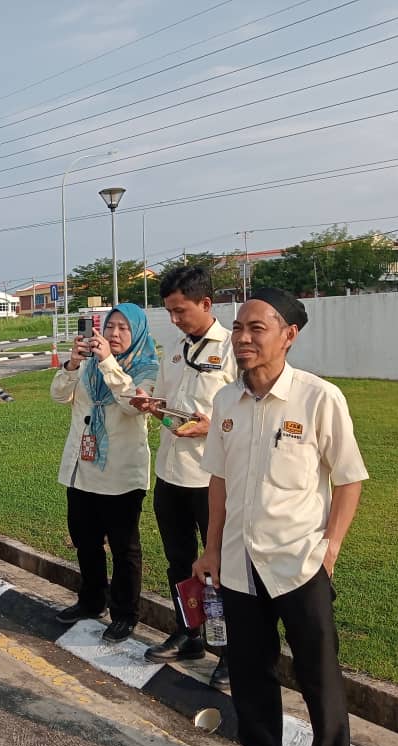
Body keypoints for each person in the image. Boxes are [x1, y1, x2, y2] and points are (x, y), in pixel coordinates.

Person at [193, 288, 367, 746]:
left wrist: (328, 552)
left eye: (257, 328)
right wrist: (211, 550)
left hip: (299, 562)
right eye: (239, 328)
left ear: (288, 335)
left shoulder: (318, 397)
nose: (242, 338)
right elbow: (219, 481)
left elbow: (349, 479)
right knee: (250, 670)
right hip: (239, 562)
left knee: (319, 676)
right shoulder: (227, 399)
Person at [132, 266, 237, 689]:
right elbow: (170, 401)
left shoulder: (233, 350)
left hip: (212, 478)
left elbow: (243, 414)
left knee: (222, 568)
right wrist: (150, 404)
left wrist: (210, 426)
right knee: (179, 560)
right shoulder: (175, 349)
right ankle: (188, 632)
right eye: (169, 312)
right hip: (172, 472)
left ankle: (231, 651)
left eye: (180, 311)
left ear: (206, 304)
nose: (174, 319)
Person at [51, 305, 158, 643]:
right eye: (109, 326)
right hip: (82, 470)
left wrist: (108, 362)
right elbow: (58, 396)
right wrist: (72, 365)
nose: (113, 334)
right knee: (86, 541)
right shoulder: (87, 367)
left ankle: (125, 613)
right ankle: (91, 600)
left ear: (137, 333)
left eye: (123, 328)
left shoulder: (146, 369)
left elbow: (131, 405)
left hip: (121, 474)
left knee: (125, 548)